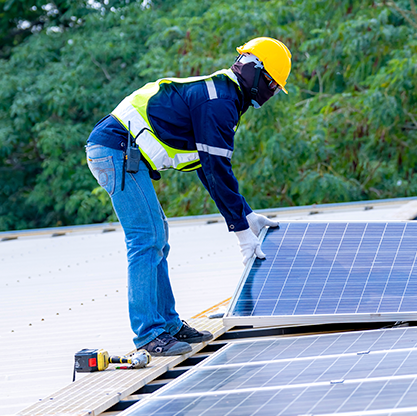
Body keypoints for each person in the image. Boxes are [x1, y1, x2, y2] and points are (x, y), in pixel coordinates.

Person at [84, 37, 289, 355]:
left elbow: (209, 170)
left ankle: (167, 324)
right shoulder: (219, 102)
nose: (273, 92)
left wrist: (245, 214)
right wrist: (241, 232)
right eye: (272, 83)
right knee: (146, 240)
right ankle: (149, 335)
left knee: (157, 239)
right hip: (117, 149)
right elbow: (217, 169)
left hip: (122, 152)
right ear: (255, 71)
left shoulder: (225, 97)